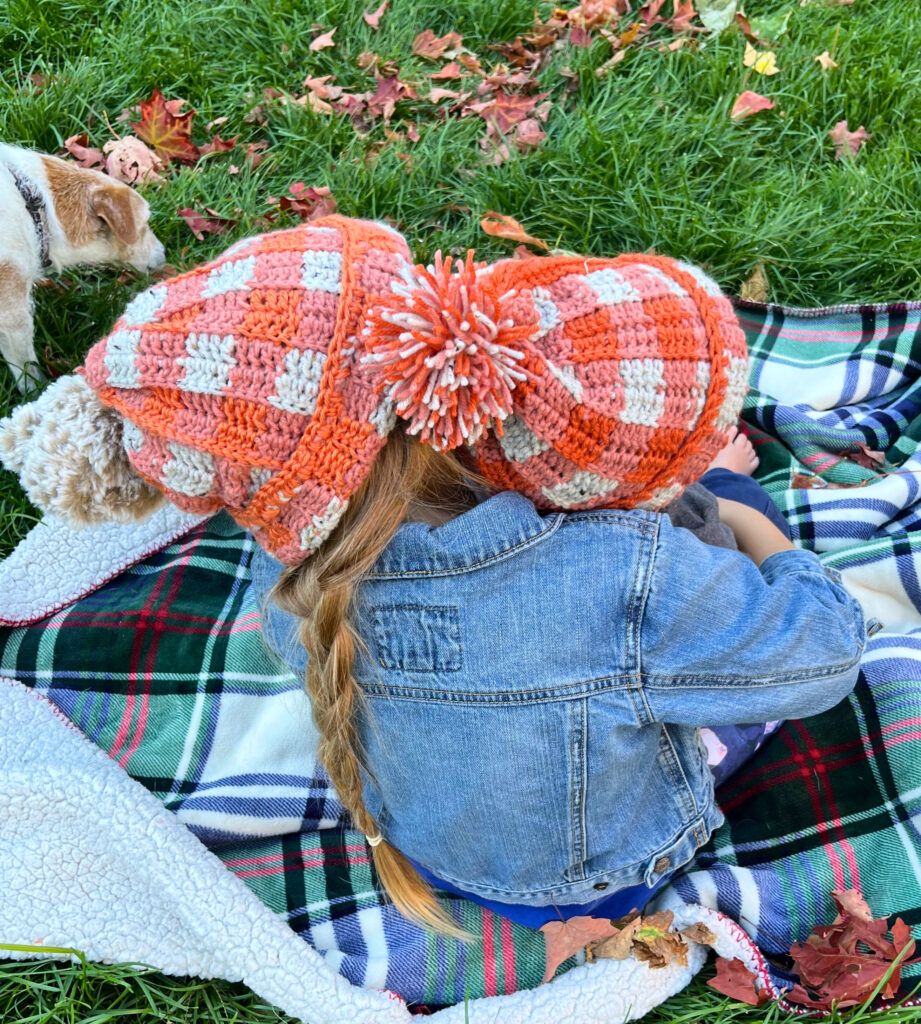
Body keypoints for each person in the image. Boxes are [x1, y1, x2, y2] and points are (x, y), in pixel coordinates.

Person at [0, 215, 867, 938]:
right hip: (604, 876)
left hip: (421, 848)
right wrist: (739, 504)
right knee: (703, 553)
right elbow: (821, 657)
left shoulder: (295, 563)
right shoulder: (618, 571)